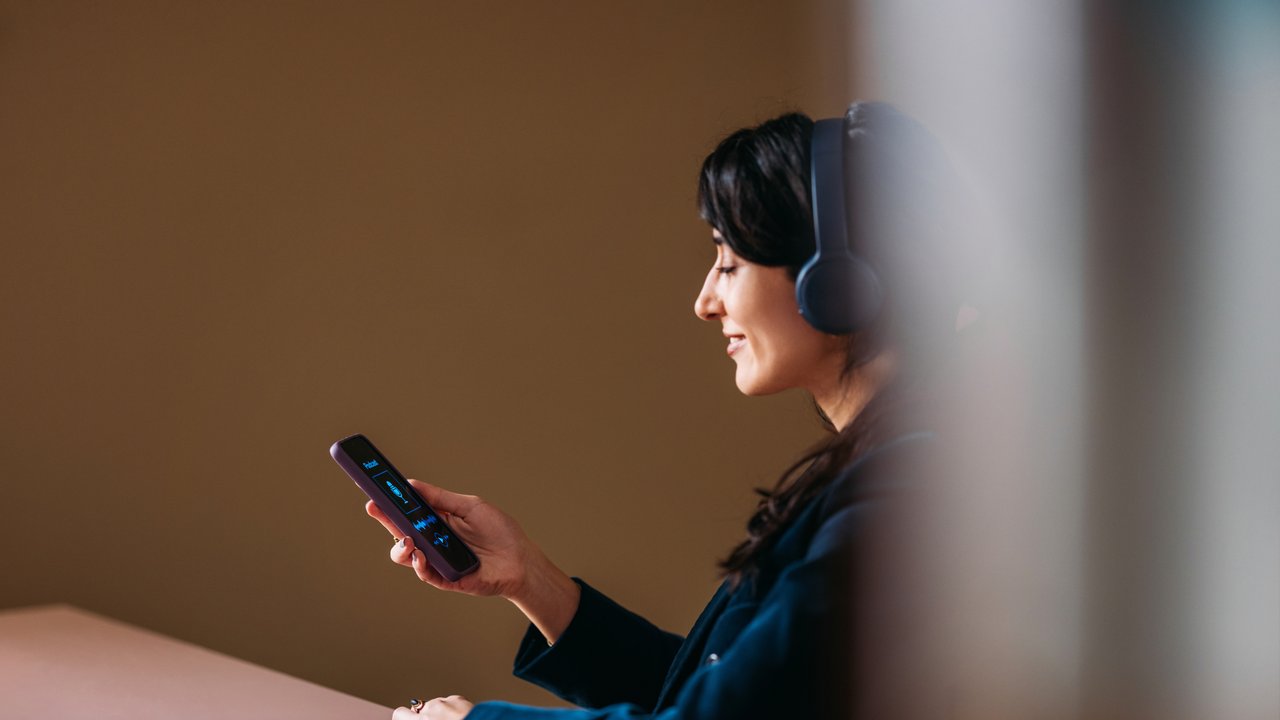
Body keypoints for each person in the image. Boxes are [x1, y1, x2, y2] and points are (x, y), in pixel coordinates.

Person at [365, 102, 974, 719]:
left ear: (836, 283)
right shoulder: (879, 474)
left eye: (730, 262)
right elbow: (720, 697)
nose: (705, 301)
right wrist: (528, 577)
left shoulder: (897, 500)